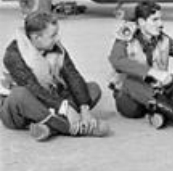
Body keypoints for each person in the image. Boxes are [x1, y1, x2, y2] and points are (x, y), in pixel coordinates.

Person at [0, 11, 109, 142]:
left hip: (51, 100)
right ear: (36, 38)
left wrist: (84, 109)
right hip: (22, 109)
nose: (57, 38)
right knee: (19, 94)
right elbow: (33, 89)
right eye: (53, 35)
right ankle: (72, 128)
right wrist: (66, 108)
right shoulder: (12, 55)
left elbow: (73, 76)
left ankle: (48, 127)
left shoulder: (56, 48)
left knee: (92, 89)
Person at [108, 1, 173, 134]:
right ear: (142, 22)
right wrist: (151, 72)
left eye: (160, 19)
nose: (161, 24)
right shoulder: (125, 38)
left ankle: (162, 113)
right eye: (155, 20)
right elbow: (116, 60)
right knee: (130, 81)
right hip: (131, 101)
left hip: (158, 93)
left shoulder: (163, 39)